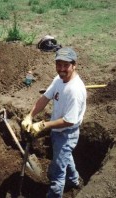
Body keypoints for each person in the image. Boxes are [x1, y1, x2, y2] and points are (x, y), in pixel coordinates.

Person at [21, 47, 87, 197]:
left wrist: (43, 125)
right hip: (57, 131)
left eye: (66, 65)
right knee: (64, 156)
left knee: (57, 171)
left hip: (67, 133)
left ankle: (55, 194)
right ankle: (73, 180)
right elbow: (45, 98)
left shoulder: (75, 90)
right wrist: (30, 116)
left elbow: (69, 121)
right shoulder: (59, 79)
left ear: (74, 65)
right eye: (59, 64)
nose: (61, 69)